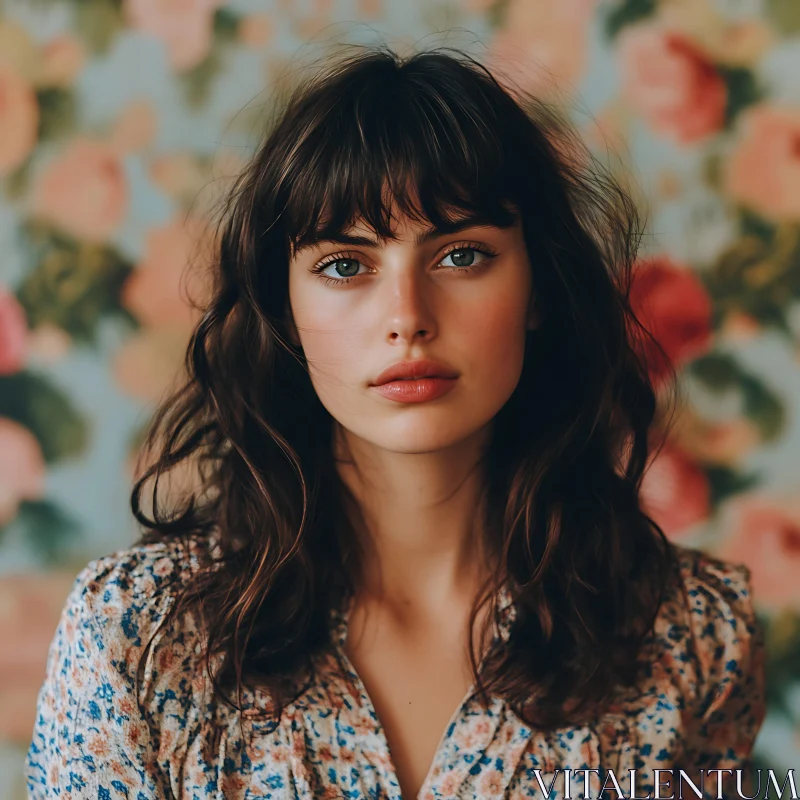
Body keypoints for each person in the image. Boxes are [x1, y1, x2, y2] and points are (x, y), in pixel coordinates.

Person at [25, 44, 765, 800]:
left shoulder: (693, 636)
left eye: (462, 255)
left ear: (538, 288)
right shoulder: (135, 637)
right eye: (346, 265)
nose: (407, 319)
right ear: (286, 310)